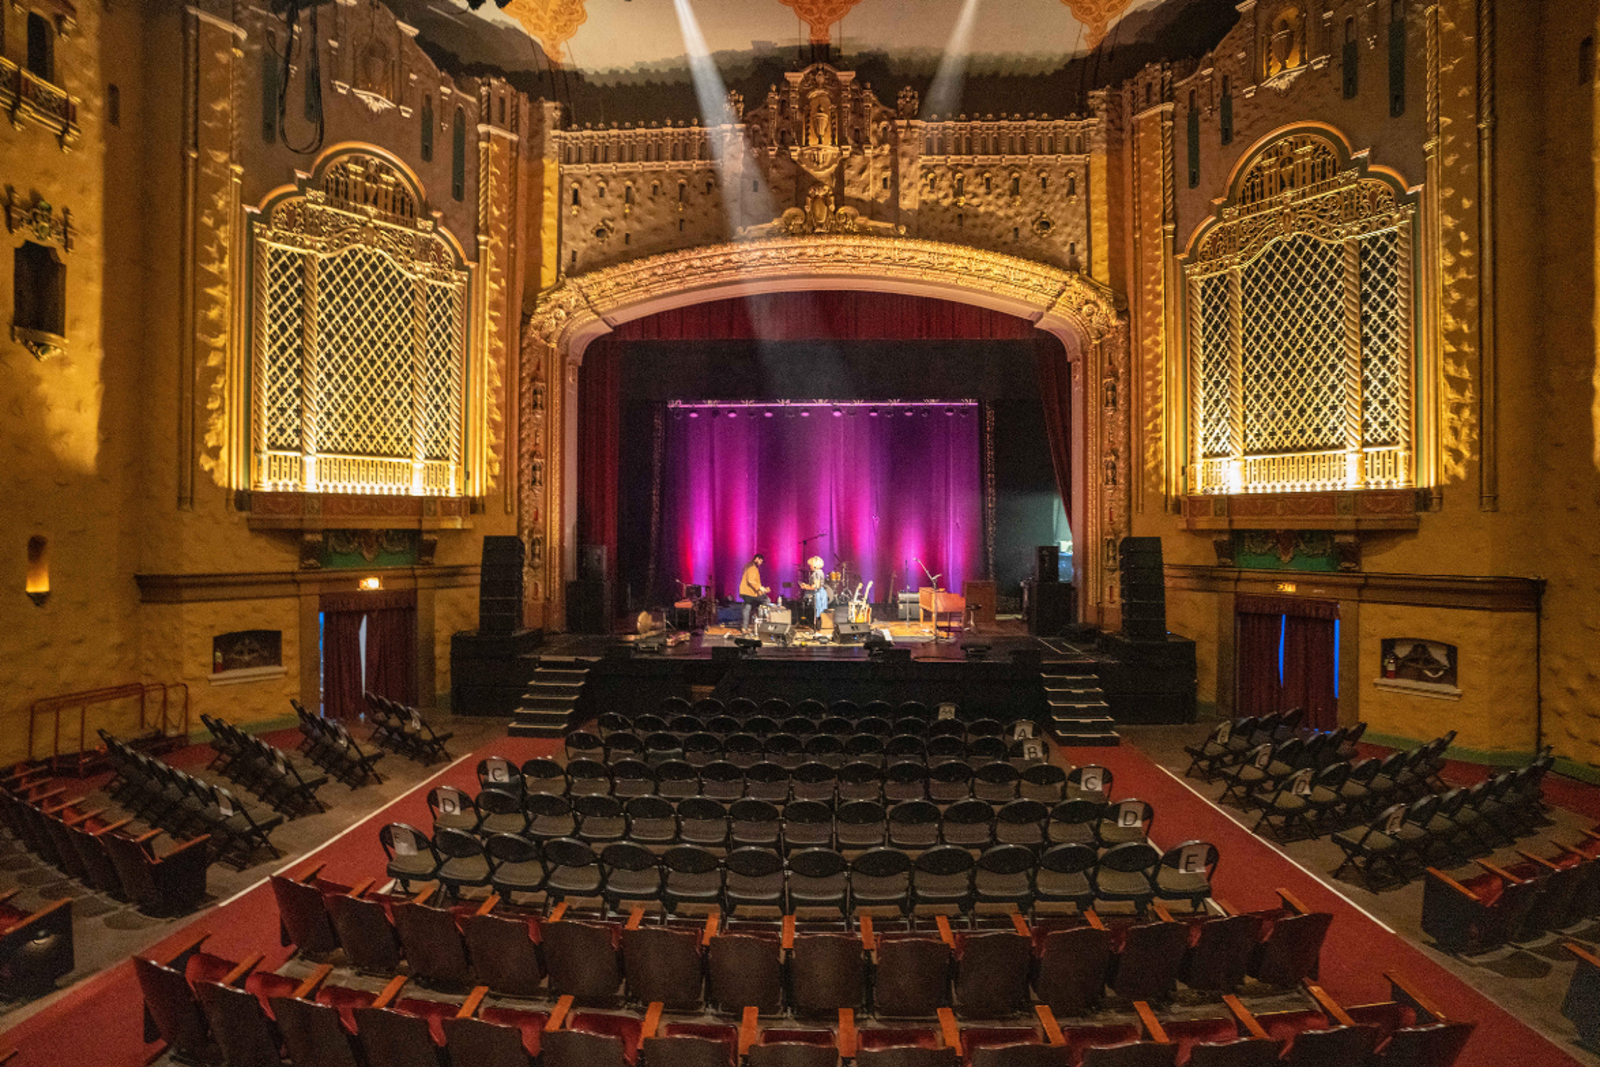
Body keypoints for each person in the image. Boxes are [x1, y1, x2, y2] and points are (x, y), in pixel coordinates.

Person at [739, 553, 769, 632]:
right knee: (766, 600)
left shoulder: (747, 565)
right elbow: (750, 580)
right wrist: (760, 587)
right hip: (750, 592)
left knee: (747, 607)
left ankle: (745, 627)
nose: (760, 563)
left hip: (746, 591)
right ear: (756, 559)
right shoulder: (752, 567)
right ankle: (761, 622)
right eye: (760, 561)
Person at [800, 554, 830, 628]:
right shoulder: (820, 572)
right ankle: (818, 629)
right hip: (820, 592)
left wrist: (805, 587)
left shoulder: (816, 573)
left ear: (815, 565)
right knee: (819, 612)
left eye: (811, 565)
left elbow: (815, 586)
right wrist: (807, 586)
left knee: (817, 612)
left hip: (818, 594)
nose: (810, 566)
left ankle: (817, 629)